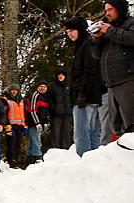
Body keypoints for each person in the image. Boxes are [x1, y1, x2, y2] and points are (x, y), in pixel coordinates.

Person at [91, 0, 134, 135]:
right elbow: (96, 55)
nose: (107, 13)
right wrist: (97, 39)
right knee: (116, 126)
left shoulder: (130, 23)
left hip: (128, 79)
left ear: (119, 9)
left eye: (110, 9)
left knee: (131, 124)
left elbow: (130, 38)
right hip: (111, 83)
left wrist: (109, 30)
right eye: (105, 10)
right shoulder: (108, 30)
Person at [65, 16, 103, 156]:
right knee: (92, 132)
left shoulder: (86, 45)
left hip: (86, 97)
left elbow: (90, 70)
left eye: (72, 30)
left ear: (80, 29)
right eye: (67, 31)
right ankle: (94, 163)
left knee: (81, 133)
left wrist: (82, 94)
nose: (69, 33)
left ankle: (84, 164)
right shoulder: (83, 45)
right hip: (90, 96)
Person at [1, 84, 27, 168]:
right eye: (12, 90)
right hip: (10, 126)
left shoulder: (22, 101)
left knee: (17, 145)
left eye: (16, 90)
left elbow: (24, 113)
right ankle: (10, 163)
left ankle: (15, 161)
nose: (14, 92)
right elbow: (3, 114)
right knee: (10, 145)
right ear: (10, 90)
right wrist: (7, 126)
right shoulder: (5, 100)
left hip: (20, 126)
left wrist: (25, 126)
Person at [25, 81, 50, 163]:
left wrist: (45, 122)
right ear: (37, 87)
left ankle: (30, 160)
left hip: (40, 123)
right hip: (33, 123)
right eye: (41, 86)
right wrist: (37, 123)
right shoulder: (35, 96)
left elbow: (45, 112)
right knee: (36, 141)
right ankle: (38, 158)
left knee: (32, 141)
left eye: (44, 87)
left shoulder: (45, 97)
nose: (42, 88)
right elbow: (32, 110)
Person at [49, 67, 73, 149]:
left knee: (66, 134)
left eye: (62, 75)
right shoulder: (52, 86)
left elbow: (73, 98)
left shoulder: (69, 85)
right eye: (59, 75)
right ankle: (55, 151)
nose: (61, 76)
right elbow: (50, 100)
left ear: (65, 76)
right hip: (56, 115)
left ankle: (66, 151)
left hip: (68, 114)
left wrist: (71, 109)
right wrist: (53, 110)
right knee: (56, 134)